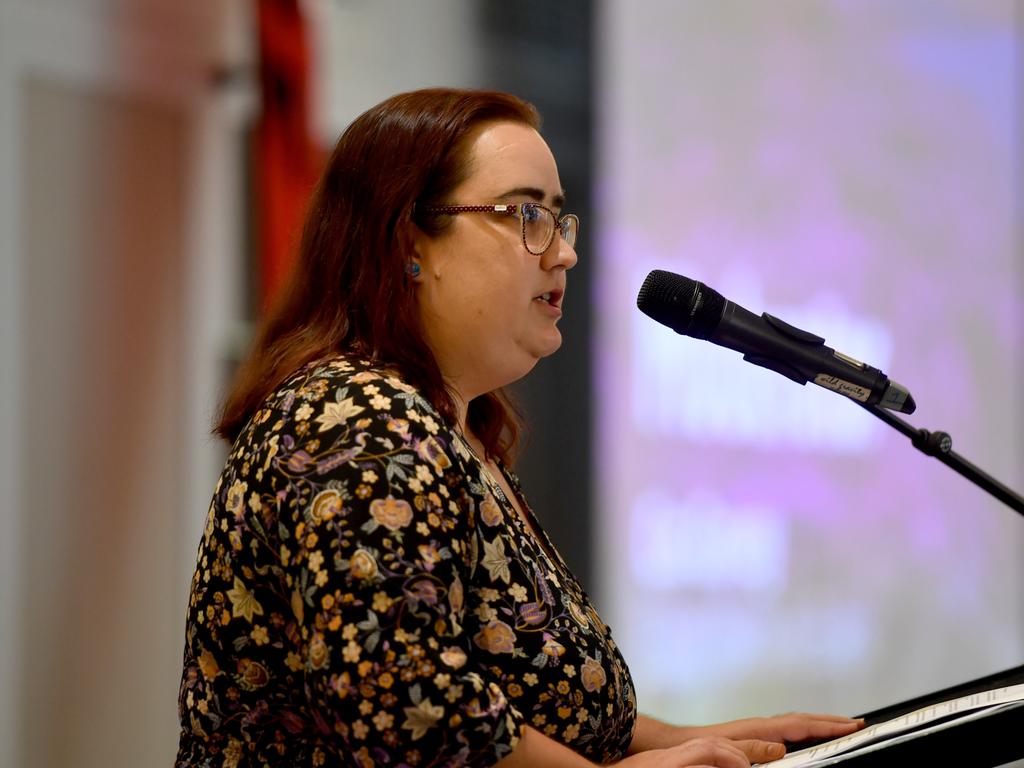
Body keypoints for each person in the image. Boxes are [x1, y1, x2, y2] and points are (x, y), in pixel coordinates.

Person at [175, 88, 864, 768]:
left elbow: (522, 708)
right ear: (413, 242)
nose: (562, 253)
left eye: (561, 221)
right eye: (527, 214)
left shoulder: (445, 427)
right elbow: (405, 705)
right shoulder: (359, 421)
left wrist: (711, 741)